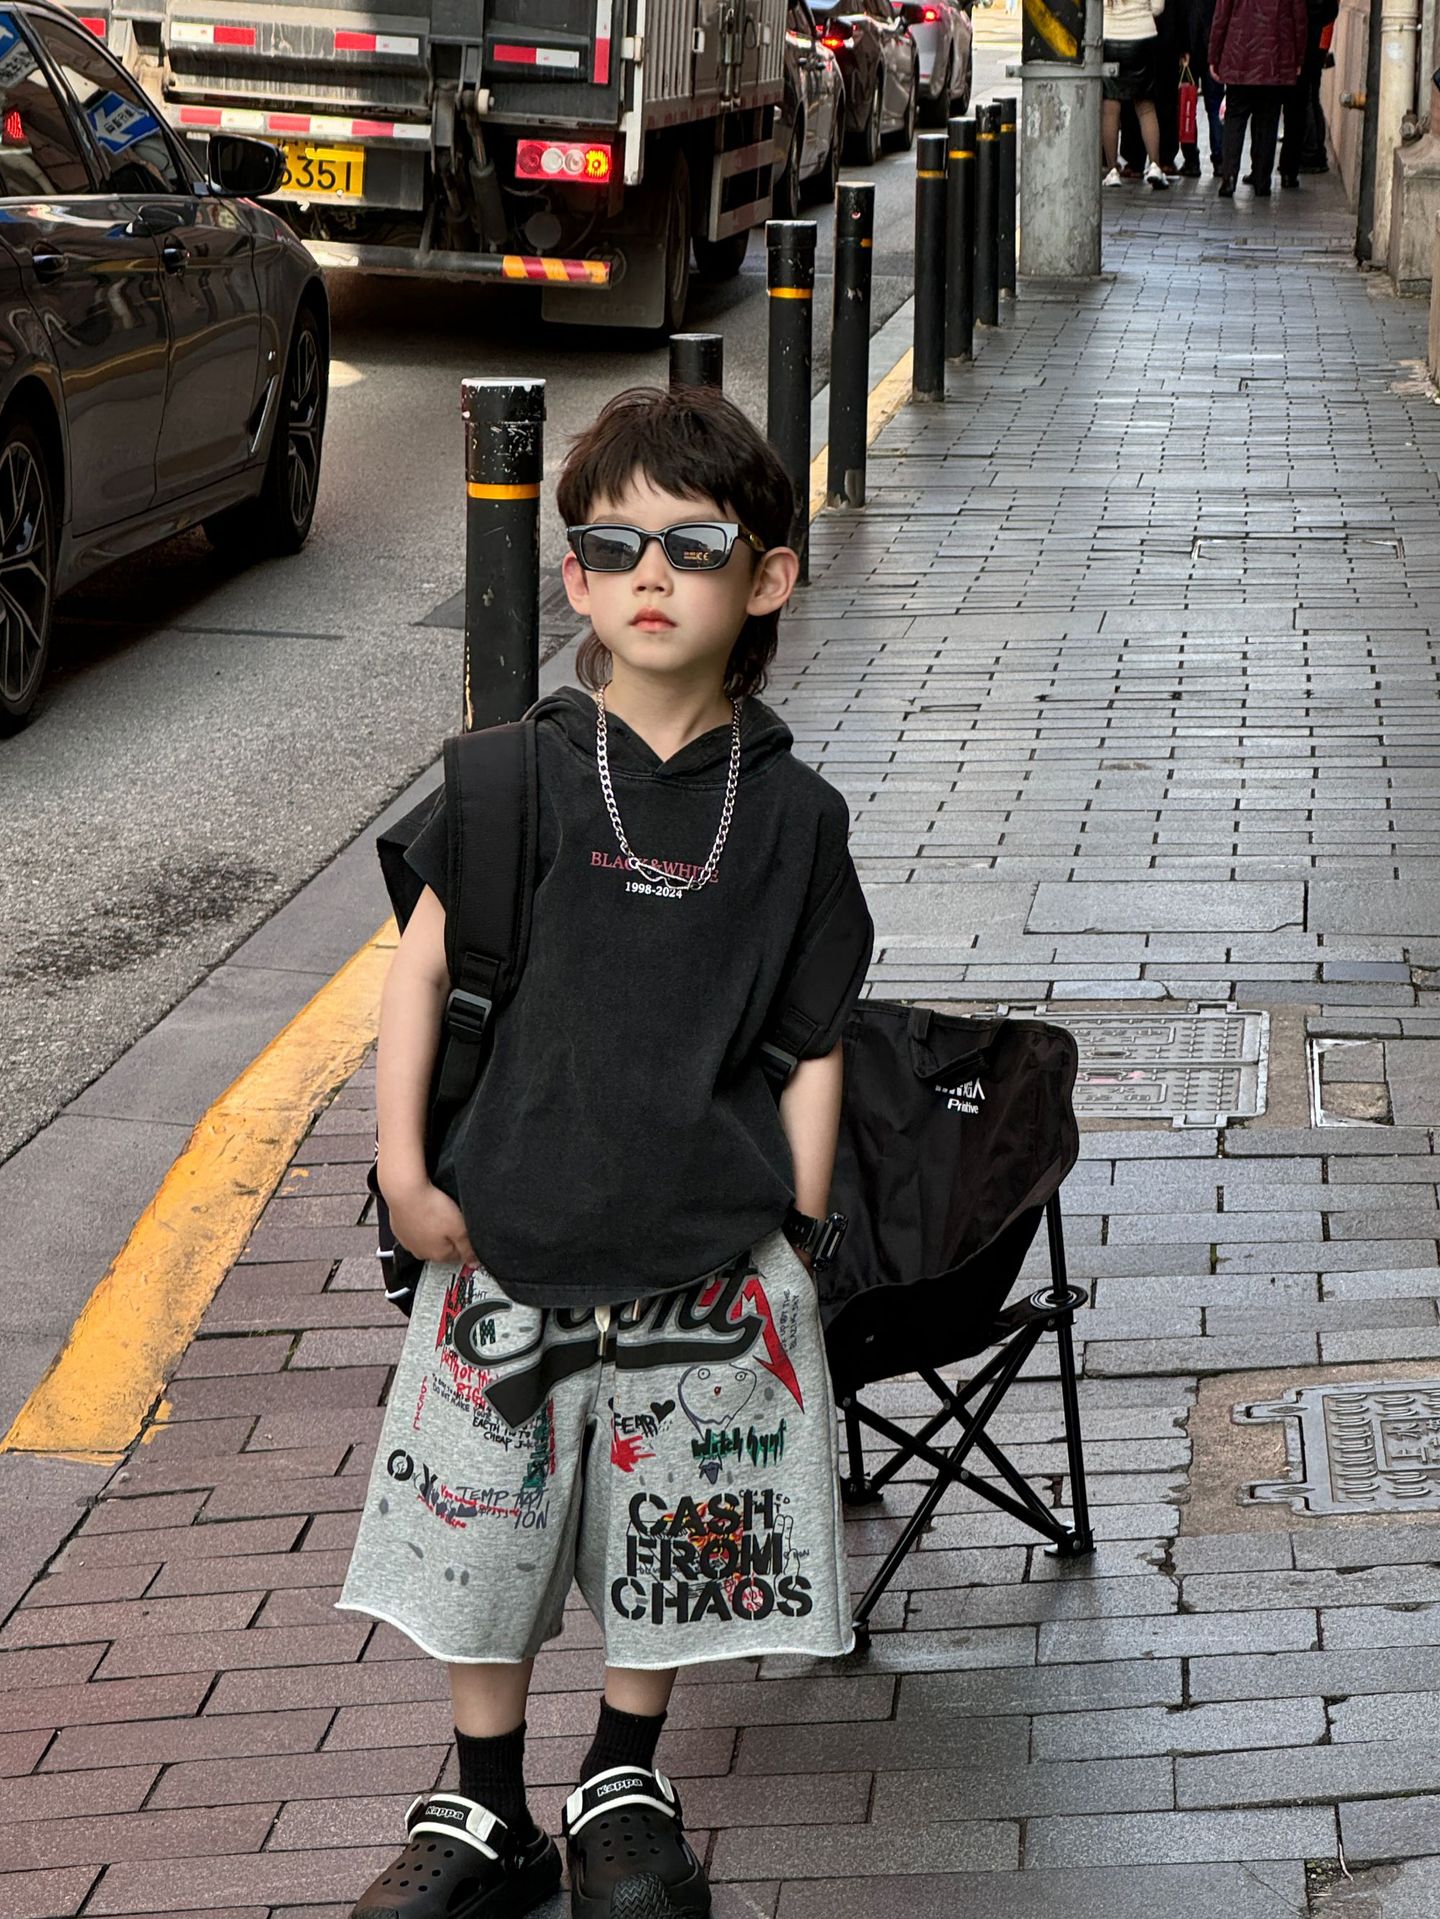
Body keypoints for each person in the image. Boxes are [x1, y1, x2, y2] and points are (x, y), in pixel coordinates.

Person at [337, 384, 875, 1919]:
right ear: (571, 576)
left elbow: (812, 1032)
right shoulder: (510, 778)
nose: (654, 573)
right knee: (485, 1529)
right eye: (616, 544)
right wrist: (404, 1170)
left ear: (765, 577)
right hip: (503, 1232)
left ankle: (623, 1770)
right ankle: (484, 1800)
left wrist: (800, 1223)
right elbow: (419, 979)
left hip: (704, 1252)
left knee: (670, 1524)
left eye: (695, 545)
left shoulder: (794, 816)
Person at [1210, 0, 1307, 196]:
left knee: (1234, 119)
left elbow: (1221, 16)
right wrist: (1298, 57)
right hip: (1274, 56)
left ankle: (1229, 178)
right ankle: (1262, 180)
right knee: (1267, 120)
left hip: (1239, 52)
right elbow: (1299, 18)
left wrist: (1214, 55)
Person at [1102, 0, 1170, 189]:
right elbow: (1158, 7)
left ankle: (1112, 171)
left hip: (1110, 37)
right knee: (1146, 108)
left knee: (1110, 108)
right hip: (1143, 38)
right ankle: (1155, 166)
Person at [1278, 0, 1339, 185]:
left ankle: (1310, 153)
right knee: (1306, 98)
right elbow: (1330, 10)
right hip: (1314, 40)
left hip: (1305, 40)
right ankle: (1305, 156)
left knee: (1302, 101)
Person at [1181, 0, 1225, 174]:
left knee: (1187, 106)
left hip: (1189, 49)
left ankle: (1191, 160)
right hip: (1212, 45)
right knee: (1215, 106)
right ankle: (1219, 159)